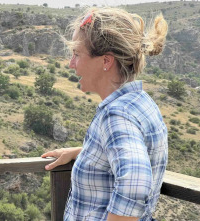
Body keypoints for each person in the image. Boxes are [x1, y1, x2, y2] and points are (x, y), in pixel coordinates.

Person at [42, 7, 168, 221]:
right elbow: (132, 154)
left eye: (77, 54)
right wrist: (87, 153)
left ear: (106, 61)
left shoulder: (117, 115)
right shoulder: (140, 103)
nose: (71, 64)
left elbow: (135, 184)